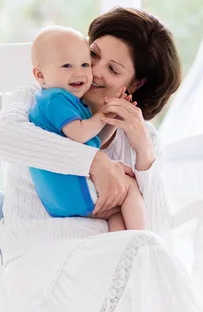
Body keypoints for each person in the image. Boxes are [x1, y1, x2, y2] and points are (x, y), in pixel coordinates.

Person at [0, 7, 200, 311]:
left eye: (113, 69)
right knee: (144, 260)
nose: (93, 71)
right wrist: (93, 161)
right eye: (93, 55)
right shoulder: (38, 98)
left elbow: (158, 234)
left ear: (136, 84)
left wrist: (145, 153)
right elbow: (1, 137)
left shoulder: (141, 136)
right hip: (42, 261)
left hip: (117, 262)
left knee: (148, 255)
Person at [28, 25, 145, 231]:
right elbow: (80, 135)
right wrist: (101, 117)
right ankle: (142, 239)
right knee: (130, 189)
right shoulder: (55, 98)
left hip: (62, 197)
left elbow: (93, 140)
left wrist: (110, 119)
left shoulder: (64, 101)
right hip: (71, 190)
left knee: (117, 211)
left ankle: (125, 250)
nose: (81, 73)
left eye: (84, 64)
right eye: (67, 66)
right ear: (40, 75)